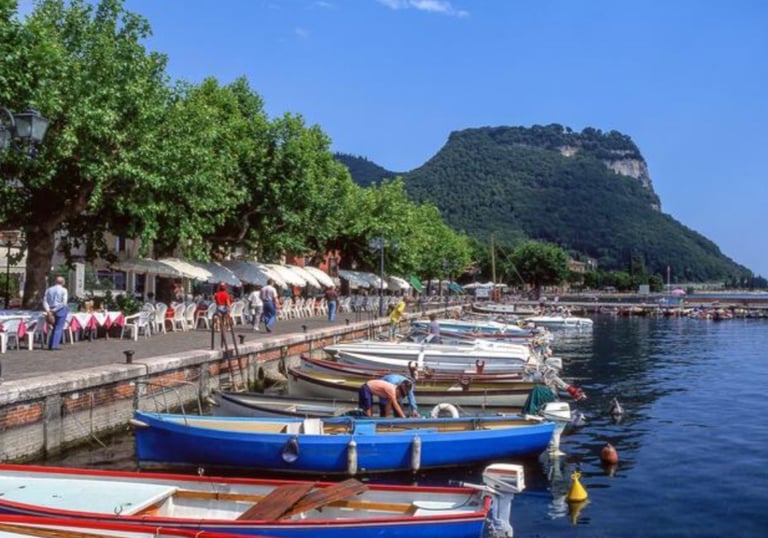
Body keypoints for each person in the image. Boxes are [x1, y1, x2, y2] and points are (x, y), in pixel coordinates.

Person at [42, 275, 70, 351]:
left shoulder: (49, 289)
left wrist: (48, 310)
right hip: (60, 309)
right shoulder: (64, 290)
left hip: (50, 308)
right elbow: (64, 303)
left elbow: (45, 301)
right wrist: (54, 310)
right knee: (58, 328)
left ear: (55, 282)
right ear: (63, 282)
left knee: (53, 327)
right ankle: (54, 345)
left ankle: (51, 344)